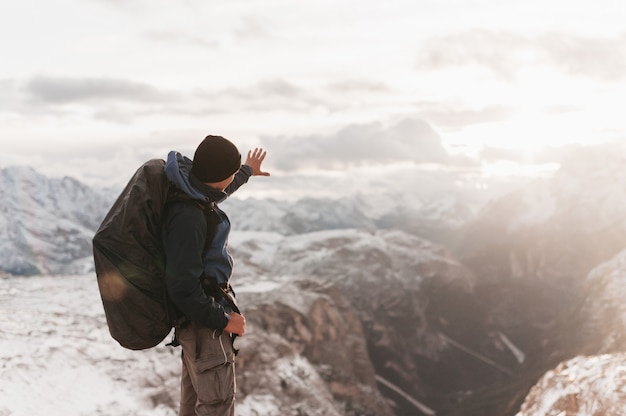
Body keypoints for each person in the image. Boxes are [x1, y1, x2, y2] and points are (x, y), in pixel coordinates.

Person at [161, 135, 269, 416]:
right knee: (216, 407)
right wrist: (225, 320)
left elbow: (220, 188)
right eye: (231, 173)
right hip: (205, 325)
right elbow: (182, 286)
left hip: (197, 325)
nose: (232, 178)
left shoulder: (193, 193)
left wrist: (246, 171)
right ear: (220, 175)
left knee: (195, 407)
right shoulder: (190, 217)